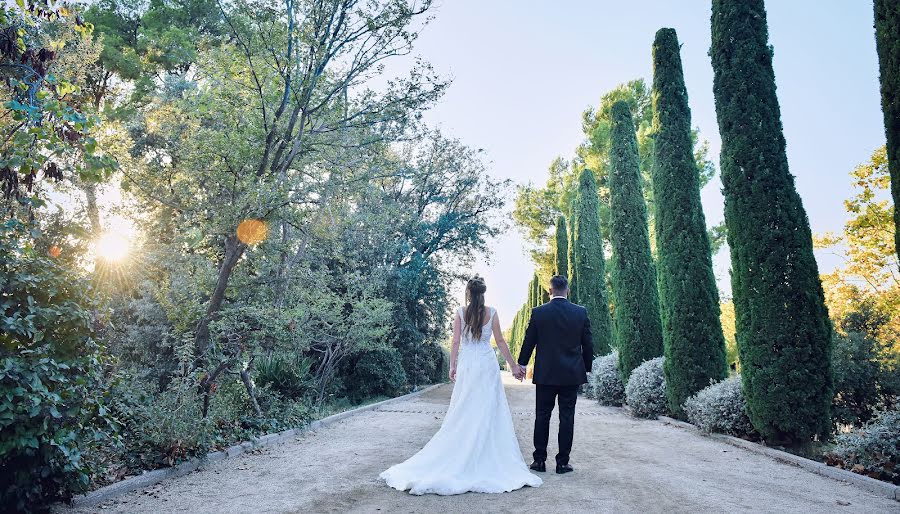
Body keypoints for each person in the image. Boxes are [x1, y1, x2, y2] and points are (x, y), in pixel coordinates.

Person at [380, 276, 542, 495]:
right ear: (483, 293)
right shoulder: (492, 312)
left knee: (465, 407)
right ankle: (485, 454)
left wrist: (452, 365)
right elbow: (501, 341)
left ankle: (463, 450)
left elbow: (455, 341)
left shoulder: (460, 312)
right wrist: (513, 365)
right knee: (488, 409)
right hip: (486, 364)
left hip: (469, 364)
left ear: (468, 292)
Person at [517, 275, 593, 474]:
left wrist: (522, 363)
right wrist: (586, 368)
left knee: (542, 416)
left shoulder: (539, 312)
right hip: (571, 374)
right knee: (567, 417)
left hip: (546, 374)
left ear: (549, 291)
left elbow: (529, 341)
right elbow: (588, 344)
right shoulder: (580, 312)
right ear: (567, 290)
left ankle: (539, 461)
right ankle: (562, 463)